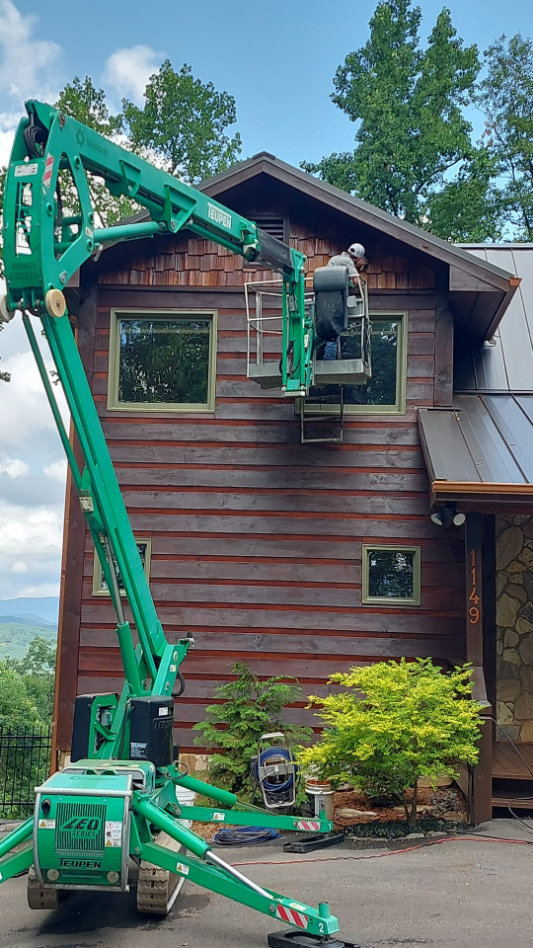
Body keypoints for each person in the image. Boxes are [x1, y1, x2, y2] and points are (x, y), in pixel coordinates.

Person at [322, 243, 367, 360]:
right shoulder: (348, 262)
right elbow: (356, 281)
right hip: (338, 299)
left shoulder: (334, 259)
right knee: (336, 328)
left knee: (326, 326)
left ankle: (324, 354)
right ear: (357, 258)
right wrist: (362, 283)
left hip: (325, 297)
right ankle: (329, 358)